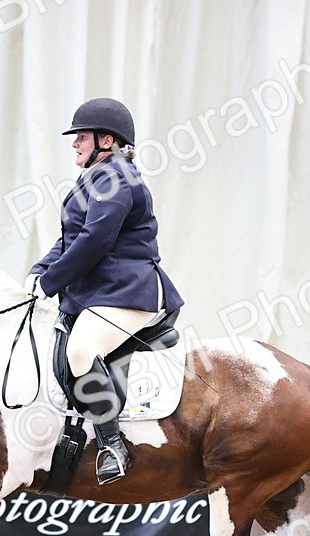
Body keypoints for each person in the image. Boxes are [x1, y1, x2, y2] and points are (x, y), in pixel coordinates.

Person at [26, 98, 185, 484]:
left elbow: (95, 240)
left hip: (129, 292)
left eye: (81, 136)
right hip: (103, 293)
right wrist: (39, 271)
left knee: (82, 350)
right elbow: (72, 239)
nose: (74, 144)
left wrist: (51, 282)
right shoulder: (96, 177)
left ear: (107, 140)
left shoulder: (116, 177)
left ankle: (112, 444)